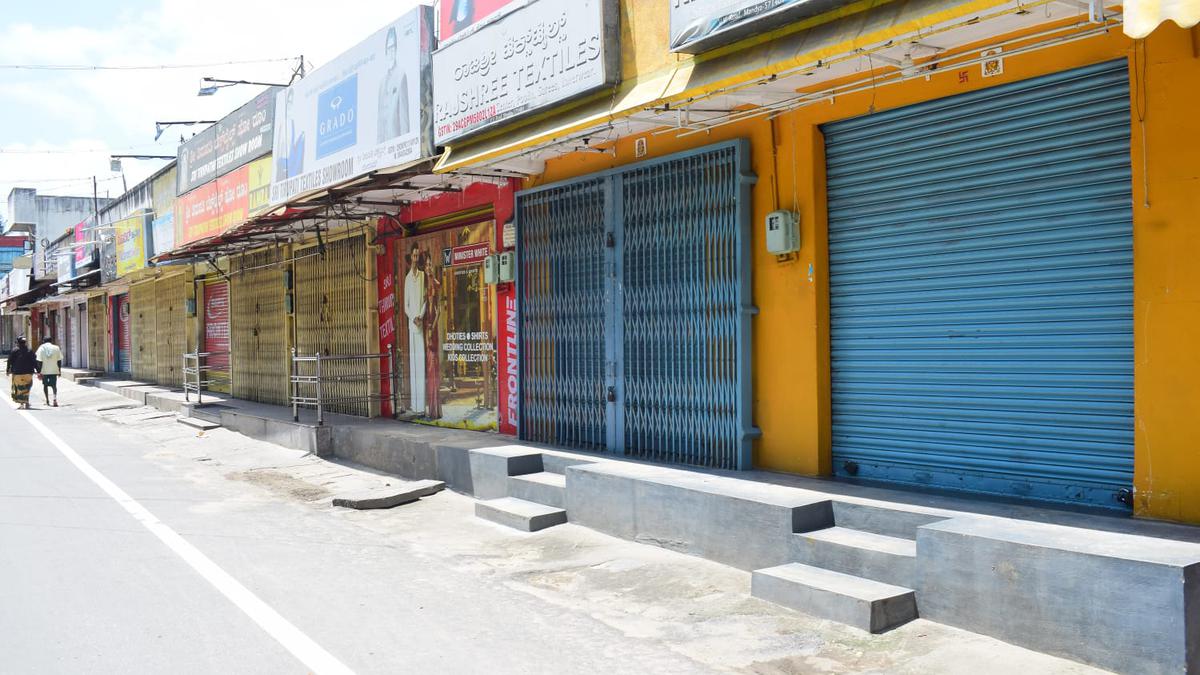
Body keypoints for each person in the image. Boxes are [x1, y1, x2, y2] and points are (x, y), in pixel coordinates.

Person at [403, 243, 427, 414]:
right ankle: (414, 404)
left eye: (417, 256)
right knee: (413, 366)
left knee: (421, 364)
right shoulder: (406, 279)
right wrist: (413, 318)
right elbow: (405, 305)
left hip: (420, 323)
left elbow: (425, 300)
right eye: (413, 255)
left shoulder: (423, 276)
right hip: (412, 325)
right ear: (410, 257)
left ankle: (421, 405)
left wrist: (421, 316)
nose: (415, 258)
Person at [377, 25, 411, 143]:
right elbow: (380, 119)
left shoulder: (401, 75)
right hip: (383, 147)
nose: (391, 51)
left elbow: (404, 116)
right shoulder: (382, 83)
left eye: (393, 48)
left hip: (397, 143)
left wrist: (405, 141)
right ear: (385, 51)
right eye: (389, 48)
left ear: (396, 50)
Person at [422, 251, 442, 419]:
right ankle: (431, 408)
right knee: (428, 369)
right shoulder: (424, 283)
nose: (428, 267)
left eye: (430, 264)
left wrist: (431, 329)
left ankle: (435, 410)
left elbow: (439, 310)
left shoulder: (436, 283)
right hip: (426, 325)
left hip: (432, 328)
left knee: (433, 367)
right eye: (426, 265)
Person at [5, 337, 38, 409]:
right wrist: (38, 371)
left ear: (18, 342)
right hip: (28, 373)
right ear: (25, 342)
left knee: (20, 388)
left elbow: (9, 361)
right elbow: (34, 361)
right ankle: (26, 402)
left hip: (17, 373)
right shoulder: (29, 351)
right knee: (27, 387)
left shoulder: (14, 350)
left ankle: (22, 403)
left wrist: (7, 370)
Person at [35, 334, 62, 407]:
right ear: (51, 341)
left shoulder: (41, 348)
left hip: (44, 371)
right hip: (54, 370)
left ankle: (47, 400)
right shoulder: (56, 348)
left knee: (45, 385)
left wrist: (39, 371)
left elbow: (39, 361)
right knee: (54, 385)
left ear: (43, 341)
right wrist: (59, 370)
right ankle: (55, 399)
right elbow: (59, 361)